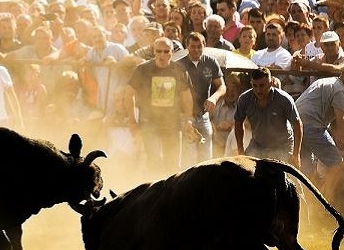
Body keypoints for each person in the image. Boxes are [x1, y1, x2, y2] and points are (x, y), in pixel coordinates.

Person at [295, 64, 344, 197]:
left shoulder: (326, 82)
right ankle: (323, 205)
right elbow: (342, 121)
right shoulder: (340, 90)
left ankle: (305, 201)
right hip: (311, 126)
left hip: (296, 125)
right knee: (336, 161)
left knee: (304, 167)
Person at [125, 37, 194, 175]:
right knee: (154, 160)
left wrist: (188, 120)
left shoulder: (179, 70)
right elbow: (128, 94)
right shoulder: (142, 69)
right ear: (153, 52)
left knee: (173, 163)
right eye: (159, 51)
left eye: (166, 51)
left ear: (172, 52)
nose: (162, 55)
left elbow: (187, 98)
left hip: (172, 122)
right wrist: (132, 120)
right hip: (148, 121)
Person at [234, 67, 302, 166]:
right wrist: (240, 150)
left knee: (289, 176)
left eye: (262, 86)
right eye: (255, 86)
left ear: (270, 83)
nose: (258, 90)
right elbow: (238, 122)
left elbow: (297, 124)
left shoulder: (284, 99)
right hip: (258, 145)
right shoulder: (244, 99)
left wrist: (296, 154)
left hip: (283, 145)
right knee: (244, 170)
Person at [177, 32, 226, 164]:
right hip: (185, 116)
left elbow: (222, 86)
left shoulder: (210, 62)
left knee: (206, 158)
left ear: (204, 45)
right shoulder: (179, 65)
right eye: (193, 46)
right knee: (189, 157)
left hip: (203, 115)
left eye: (199, 46)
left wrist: (214, 98)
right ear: (187, 46)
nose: (196, 50)